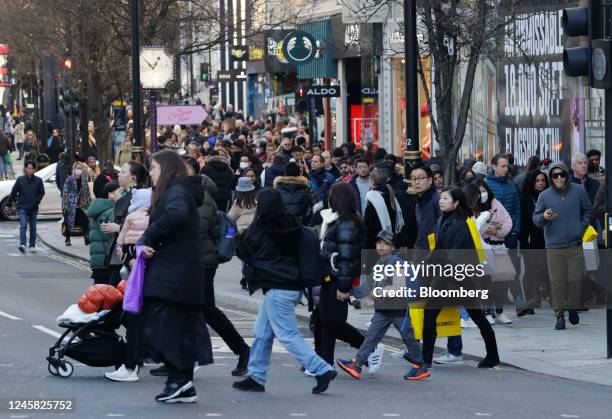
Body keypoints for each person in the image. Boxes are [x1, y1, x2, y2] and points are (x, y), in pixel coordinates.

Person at [233, 188, 337, 394]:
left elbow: (244, 250)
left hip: (277, 289)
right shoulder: (292, 224)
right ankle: (256, 376)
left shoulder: (260, 228)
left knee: (288, 335)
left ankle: (322, 369)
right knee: (261, 333)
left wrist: (237, 236)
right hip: (291, 287)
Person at [138, 150, 212, 403]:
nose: (150, 173)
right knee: (178, 329)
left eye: (154, 168)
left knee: (163, 328)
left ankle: (179, 380)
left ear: (167, 169)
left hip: (175, 273)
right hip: (179, 273)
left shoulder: (177, 192)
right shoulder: (178, 191)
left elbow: (177, 215)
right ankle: (182, 383)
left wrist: (150, 236)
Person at [179, 156, 251, 377]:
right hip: (194, 260)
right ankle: (180, 358)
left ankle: (243, 350)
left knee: (206, 310)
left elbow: (197, 231)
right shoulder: (188, 194)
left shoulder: (200, 196)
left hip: (201, 262)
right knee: (186, 310)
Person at [420, 187, 500, 373]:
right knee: (476, 316)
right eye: (441, 198)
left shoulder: (458, 224)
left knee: (436, 314)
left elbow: (456, 257)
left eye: (445, 198)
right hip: (451, 278)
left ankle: (425, 360)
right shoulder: (443, 220)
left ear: (456, 203)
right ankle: (425, 359)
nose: (441, 201)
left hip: (458, 280)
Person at [336, 230, 426, 381]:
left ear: (392, 247)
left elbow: (399, 287)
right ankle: (356, 365)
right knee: (371, 336)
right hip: (383, 310)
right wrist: (348, 292)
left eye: (386, 243)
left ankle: (420, 366)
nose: (381, 246)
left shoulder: (397, 262)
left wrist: (380, 292)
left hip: (398, 309)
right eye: (379, 243)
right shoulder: (379, 263)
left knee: (408, 337)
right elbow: (366, 287)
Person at [533, 162, 592, 330]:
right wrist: (544, 216)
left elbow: (588, 210)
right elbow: (536, 219)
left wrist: (582, 226)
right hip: (554, 246)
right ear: (551, 178)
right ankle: (559, 315)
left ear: (567, 175)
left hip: (575, 244)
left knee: (575, 279)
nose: (559, 178)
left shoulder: (579, 191)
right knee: (557, 282)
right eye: (555, 175)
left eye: (562, 174)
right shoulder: (544, 196)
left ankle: (573, 307)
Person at [319, 183, 366, 366]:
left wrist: (344, 287)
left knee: (334, 322)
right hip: (329, 276)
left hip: (338, 279)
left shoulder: (347, 223)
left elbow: (347, 256)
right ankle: (325, 362)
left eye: (331, 195)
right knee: (325, 320)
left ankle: (368, 348)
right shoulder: (337, 220)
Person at [485, 153, 527, 315]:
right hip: (491, 237)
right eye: (502, 165)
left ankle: (519, 302)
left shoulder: (511, 185)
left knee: (512, 268)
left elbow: (517, 210)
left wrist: (515, 230)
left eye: (507, 165)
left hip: (510, 235)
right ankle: (495, 306)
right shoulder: (486, 185)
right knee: (494, 272)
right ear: (493, 166)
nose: (505, 168)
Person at [519, 170, 550, 312]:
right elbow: (523, 220)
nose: (541, 183)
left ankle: (544, 295)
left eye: (543, 180)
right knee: (530, 269)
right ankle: (531, 299)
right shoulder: (524, 197)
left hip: (547, 239)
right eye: (537, 181)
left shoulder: (549, 196)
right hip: (530, 239)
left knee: (544, 268)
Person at [86, 181, 122, 284]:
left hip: (97, 261)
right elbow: (114, 235)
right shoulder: (111, 211)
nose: (123, 194)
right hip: (107, 261)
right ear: (110, 194)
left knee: (99, 293)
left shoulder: (98, 209)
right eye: (120, 191)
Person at [8, 161, 45, 253]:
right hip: (22, 207)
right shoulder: (20, 179)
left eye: (32, 168)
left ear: (35, 169)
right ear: (25, 169)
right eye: (29, 168)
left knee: (33, 227)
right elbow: (13, 192)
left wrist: (37, 201)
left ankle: (32, 245)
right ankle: (23, 244)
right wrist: (8, 204)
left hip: (33, 207)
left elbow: (42, 192)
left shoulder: (38, 180)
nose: (30, 170)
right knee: (23, 225)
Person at [363, 168, 403, 249]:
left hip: (377, 245)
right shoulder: (392, 196)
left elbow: (368, 229)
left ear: (372, 181)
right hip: (391, 243)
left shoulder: (372, 200)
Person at [62, 160, 92, 246]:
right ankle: (67, 238)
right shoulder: (69, 179)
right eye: (78, 168)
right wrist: (65, 205)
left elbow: (87, 193)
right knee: (69, 222)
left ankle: (86, 237)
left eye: (81, 168)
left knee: (85, 221)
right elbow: (65, 193)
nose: (79, 170)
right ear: (74, 169)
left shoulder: (83, 180)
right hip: (71, 205)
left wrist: (89, 203)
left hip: (82, 205)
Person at [413, 165, 441, 250]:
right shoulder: (418, 202)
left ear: (429, 180)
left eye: (421, 179)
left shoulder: (437, 199)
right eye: (414, 179)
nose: (417, 182)